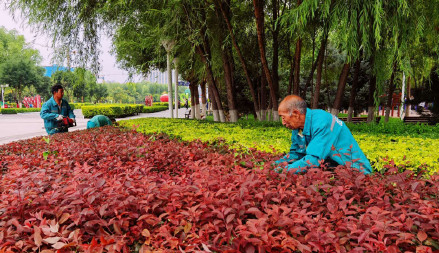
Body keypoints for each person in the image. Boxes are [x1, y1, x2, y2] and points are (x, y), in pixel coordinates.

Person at [275, 95, 372, 174]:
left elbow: (312, 160)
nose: (283, 123)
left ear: (296, 114)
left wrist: (283, 171)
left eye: (283, 117)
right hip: (331, 170)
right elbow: (296, 154)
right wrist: (275, 166)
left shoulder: (323, 122)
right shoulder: (297, 128)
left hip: (355, 173)